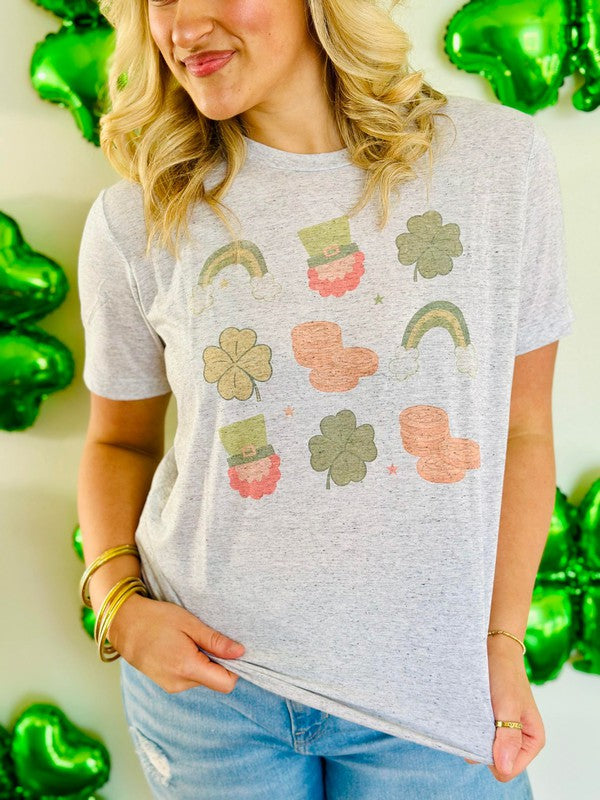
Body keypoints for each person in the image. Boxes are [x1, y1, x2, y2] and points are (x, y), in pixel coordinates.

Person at [76, 0, 575, 798]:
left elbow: (522, 430)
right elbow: (119, 442)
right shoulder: (137, 219)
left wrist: (501, 644)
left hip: (430, 699)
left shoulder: (496, 165)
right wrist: (118, 604)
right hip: (212, 697)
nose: (184, 27)